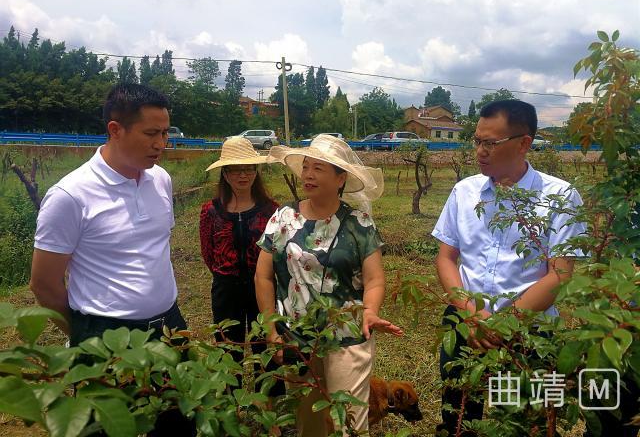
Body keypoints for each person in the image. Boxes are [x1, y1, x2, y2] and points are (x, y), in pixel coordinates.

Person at [30, 83, 194, 436]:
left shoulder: (161, 180)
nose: (161, 143)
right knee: (106, 429)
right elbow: (43, 283)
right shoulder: (70, 196)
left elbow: (153, 251)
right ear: (115, 130)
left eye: (165, 133)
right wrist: (87, 336)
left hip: (169, 325)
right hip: (106, 335)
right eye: (151, 133)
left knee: (177, 422)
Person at [432, 99, 586, 436]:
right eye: (477, 141)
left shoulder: (559, 196)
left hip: (529, 334)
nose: (480, 151)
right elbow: (446, 258)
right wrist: (471, 315)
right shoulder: (464, 192)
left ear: (523, 143)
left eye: (490, 143)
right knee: (458, 417)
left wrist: (503, 325)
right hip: (466, 325)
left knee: (521, 423)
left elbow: (559, 273)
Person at [254, 134, 403, 436]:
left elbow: (374, 278)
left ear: (340, 178)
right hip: (296, 337)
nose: (308, 174)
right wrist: (272, 330)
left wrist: (371, 310)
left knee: (347, 422)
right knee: (307, 421)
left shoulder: (358, 222)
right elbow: (263, 276)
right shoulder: (284, 217)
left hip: (347, 336)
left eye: (319, 168)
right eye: (306, 167)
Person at [199, 136, 284, 395]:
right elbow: (208, 254)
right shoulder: (211, 211)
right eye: (235, 169)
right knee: (228, 346)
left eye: (248, 168)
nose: (243, 175)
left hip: (263, 287)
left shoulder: (271, 210)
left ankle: (269, 407)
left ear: (256, 172)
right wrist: (227, 274)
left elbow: (278, 253)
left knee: (266, 345)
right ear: (225, 174)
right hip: (225, 289)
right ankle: (230, 404)